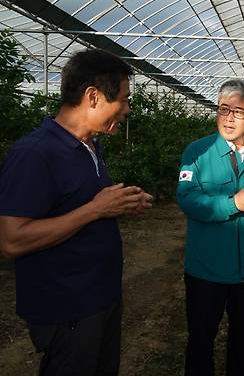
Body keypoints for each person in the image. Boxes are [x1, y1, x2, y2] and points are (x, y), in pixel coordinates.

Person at [0, 49, 153, 376]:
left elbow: (79, 208)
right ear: (93, 97)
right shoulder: (36, 154)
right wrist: (96, 209)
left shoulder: (90, 148)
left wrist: (117, 206)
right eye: (123, 100)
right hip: (66, 309)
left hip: (99, 298)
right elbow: (12, 240)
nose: (127, 110)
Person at [177, 79, 244, 376]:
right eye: (224, 109)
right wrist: (233, 204)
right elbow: (187, 199)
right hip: (206, 269)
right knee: (201, 338)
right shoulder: (197, 152)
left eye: (239, 111)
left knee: (242, 335)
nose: (229, 118)